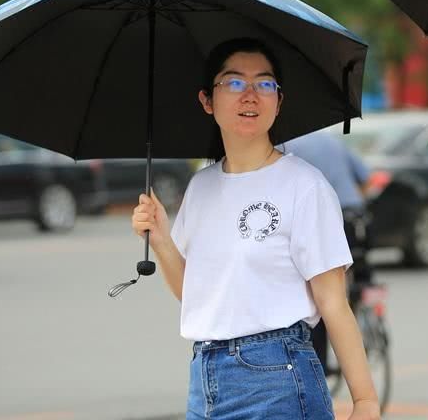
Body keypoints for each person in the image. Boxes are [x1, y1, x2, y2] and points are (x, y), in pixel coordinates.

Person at [131, 38, 380, 420]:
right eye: (234, 83)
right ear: (207, 100)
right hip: (205, 379)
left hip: (278, 376)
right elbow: (199, 296)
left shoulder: (303, 185)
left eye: (264, 84)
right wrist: (162, 240)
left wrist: (365, 402)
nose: (250, 95)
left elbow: (333, 301)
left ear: (278, 101)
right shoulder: (201, 186)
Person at [284, 129, 372, 372]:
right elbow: (366, 178)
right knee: (357, 274)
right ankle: (365, 299)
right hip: (355, 213)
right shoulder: (332, 141)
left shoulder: (286, 147)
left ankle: (322, 362)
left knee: (321, 294)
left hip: (323, 218)